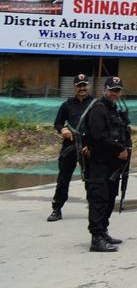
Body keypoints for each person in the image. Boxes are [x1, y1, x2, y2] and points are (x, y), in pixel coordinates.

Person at [83, 76, 131, 252]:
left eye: (117, 90)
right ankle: (96, 238)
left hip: (113, 163)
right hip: (99, 162)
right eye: (111, 90)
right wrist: (120, 149)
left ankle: (103, 231)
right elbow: (99, 136)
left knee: (110, 198)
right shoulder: (98, 109)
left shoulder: (114, 110)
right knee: (99, 199)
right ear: (105, 90)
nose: (114, 93)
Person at [46, 74, 95, 222]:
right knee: (63, 178)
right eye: (79, 86)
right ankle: (57, 209)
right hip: (70, 145)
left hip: (88, 146)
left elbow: (99, 127)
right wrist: (63, 130)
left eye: (84, 85)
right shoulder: (67, 105)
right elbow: (58, 123)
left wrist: (92, 145)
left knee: (91, 179)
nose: (82, 88)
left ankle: (94, 210)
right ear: (75, 87)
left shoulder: (95, 104)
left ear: (89, 86)